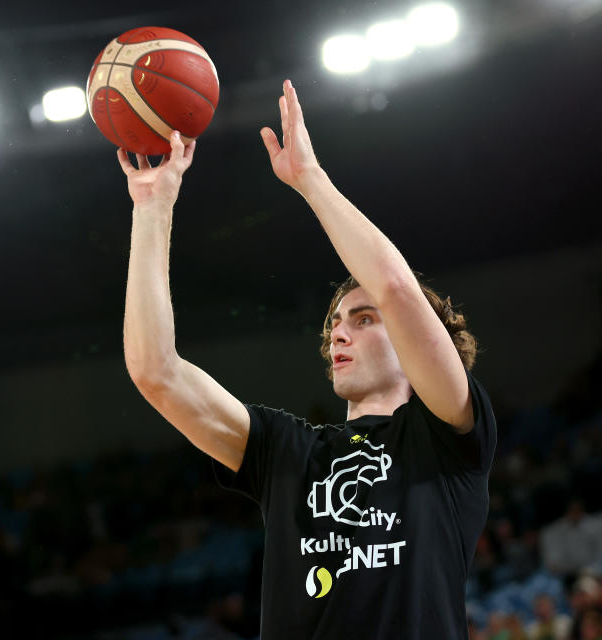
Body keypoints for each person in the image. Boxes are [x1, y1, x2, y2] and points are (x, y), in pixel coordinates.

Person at [119, 79, 497, 639]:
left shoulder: (446, 431)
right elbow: (156, 371)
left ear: (419, 338)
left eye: (363, 319)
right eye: (335, 324)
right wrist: (153, 208)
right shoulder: (286, 451)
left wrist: (310, 181)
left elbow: (393, 285)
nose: (340, 333)